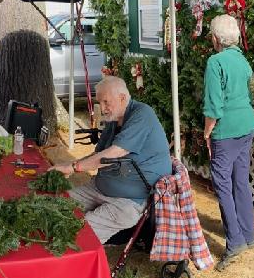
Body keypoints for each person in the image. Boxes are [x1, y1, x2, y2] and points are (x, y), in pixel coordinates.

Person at [50, 76, 171, 243]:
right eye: (100, 103)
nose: (103, 108)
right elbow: (98, 154)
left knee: (78, 235)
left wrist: (74, 167)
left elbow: (114, 153)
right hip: (98, 188)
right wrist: (70, 166)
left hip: (128, 202)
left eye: (106, 102)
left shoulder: (143, 114)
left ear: (122, 98)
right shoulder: (114, 119)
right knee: (54, 206)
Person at [203, 16, 254, 271]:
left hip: (225, 131)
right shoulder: (242, 60)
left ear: (215, 39)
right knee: (240, 181)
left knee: (222, 184)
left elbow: (213, 105)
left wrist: (207, 132)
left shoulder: (215, 62)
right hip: (247, 126)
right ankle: (248, 235)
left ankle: (235, 241)